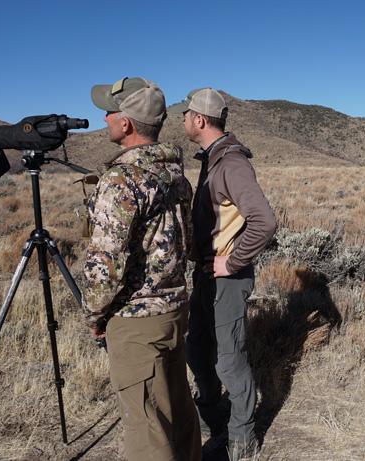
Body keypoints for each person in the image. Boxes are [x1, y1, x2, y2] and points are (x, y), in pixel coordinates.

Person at [83, 77, 200, 461]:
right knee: (177, 412)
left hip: (136, 320)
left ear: (126, 123)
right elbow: (189, 242)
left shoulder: (121, 180)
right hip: (174, 310)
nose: (104, 118)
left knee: (147, 430)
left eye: (110, 112)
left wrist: (95, 314)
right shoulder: (174, 173)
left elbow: (106, 265)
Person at [170, 87, 276, 460]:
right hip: (206, 274)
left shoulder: (231, 163)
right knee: (198, 348)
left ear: (199, 119)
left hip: (226, 278)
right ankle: (213, 419)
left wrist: (231, 262)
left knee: (230, 359)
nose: (182, 119)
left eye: (185, 114)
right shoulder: (212, 159)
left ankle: (242, 440)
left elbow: (264, 222)